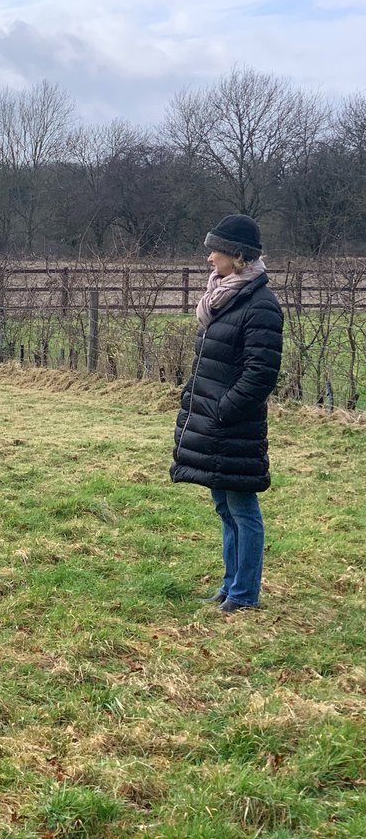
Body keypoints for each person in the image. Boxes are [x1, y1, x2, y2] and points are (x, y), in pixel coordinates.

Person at [171, 214, 283, 614]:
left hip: (232, 425)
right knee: (224, 505)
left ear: (237, 257)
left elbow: (260, 374)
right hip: (213, 423)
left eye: (214, 250)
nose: (209, 258)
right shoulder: (222, 297)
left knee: (242, 508)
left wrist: (223, 410)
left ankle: (244, 595)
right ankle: (229, 587)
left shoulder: (260, 306)